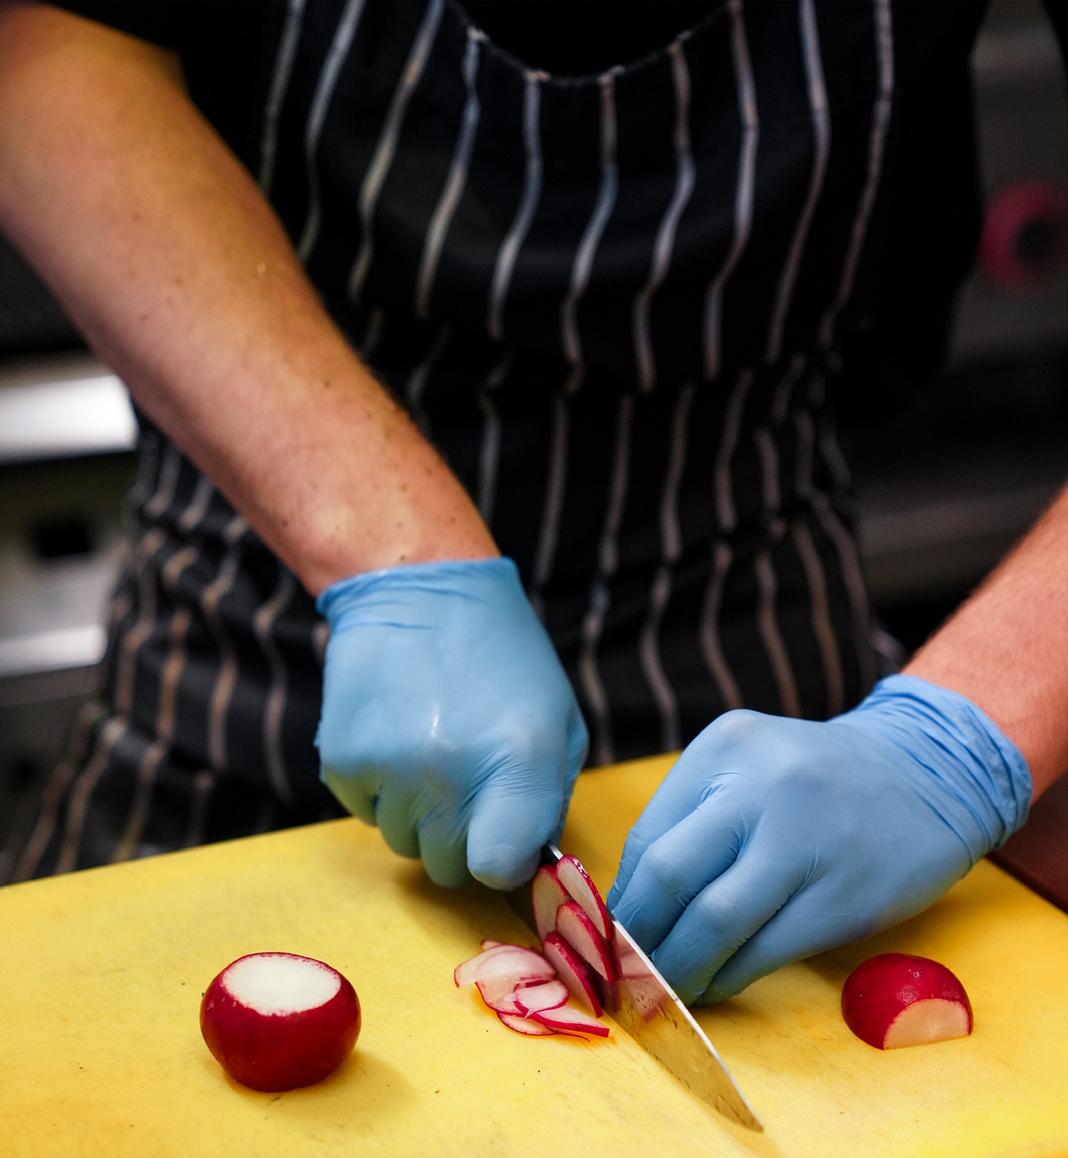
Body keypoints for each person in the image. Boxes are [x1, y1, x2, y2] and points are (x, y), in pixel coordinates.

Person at [0, 0, 1064, 1006]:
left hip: (768, 684)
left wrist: (958, 736)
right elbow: (44, 44)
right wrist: (393, 554)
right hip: (242, 643)